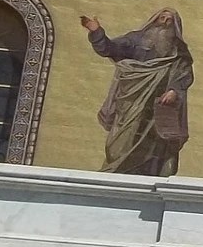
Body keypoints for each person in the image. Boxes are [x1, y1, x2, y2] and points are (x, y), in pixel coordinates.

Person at [80, 9, 192, 175]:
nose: (165, 23)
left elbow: (184, 72)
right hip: (131, 99)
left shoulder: (178, 50)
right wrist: (96, 32)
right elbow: (110, 49)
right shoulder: (135, 39)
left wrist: (174, 90)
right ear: (154, 20)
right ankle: (116, 170)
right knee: (121, 139)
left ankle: (150, 173)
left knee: (156, 143)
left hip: (158, 105)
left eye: (169, 21)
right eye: (162, 18)